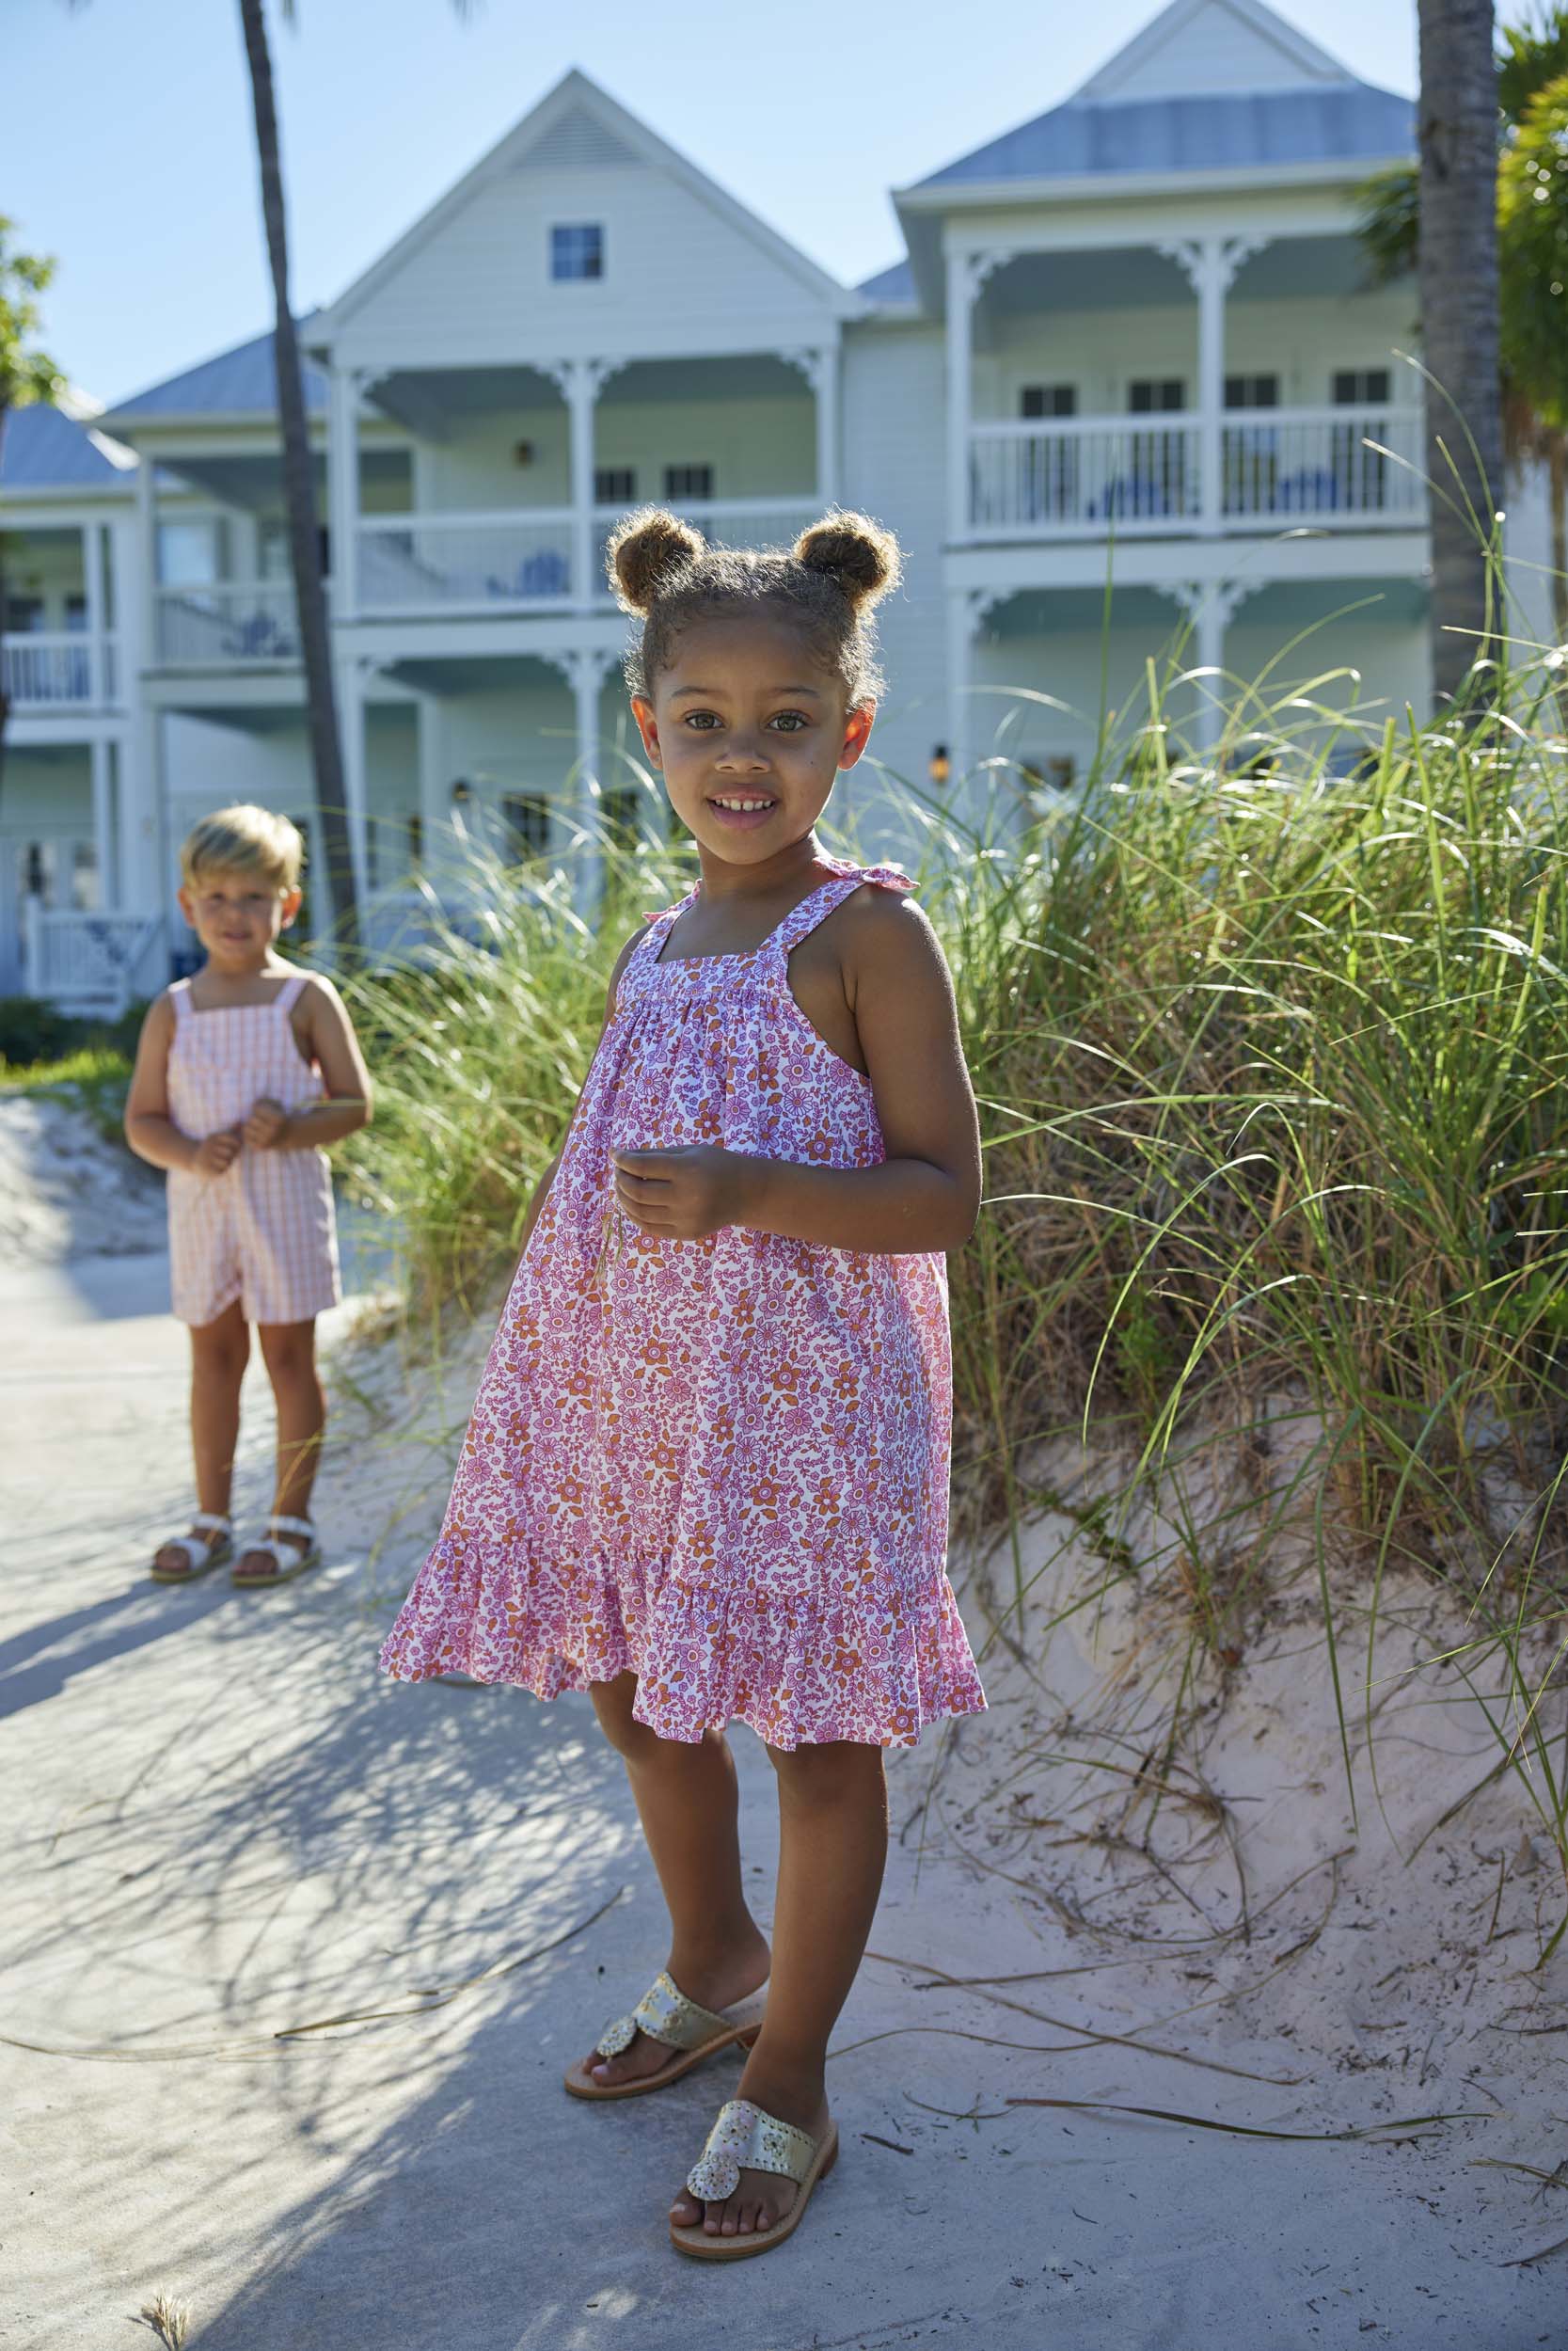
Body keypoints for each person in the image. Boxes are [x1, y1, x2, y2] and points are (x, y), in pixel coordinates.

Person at [381, 509, 986, 2261]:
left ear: (847, 732)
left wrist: (745, 1187)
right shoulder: (654, 944)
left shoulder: (866, 935)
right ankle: (714, 1955)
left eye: (785, 718)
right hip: (638, 1400)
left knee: (810, 1730)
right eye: (704, 718)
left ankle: (788, 2064)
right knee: (638, 1691)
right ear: (645, 728)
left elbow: (942, 1194)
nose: (743, 754)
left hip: (804, 1415)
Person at [124, 804, 372, 1586]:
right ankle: (211, 1517)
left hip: (283, 1206)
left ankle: (290, 1520)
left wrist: (293, 1125)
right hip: (204, 1209)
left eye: (254, 898)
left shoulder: (303, 998)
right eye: (218, 898)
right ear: (187, 905)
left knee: (289, 1359)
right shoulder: (175, 1007)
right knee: (214, 1359)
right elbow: (142, 1119)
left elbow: (353, 1103)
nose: (236, 915)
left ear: (287, 905)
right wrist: (191, 1150)